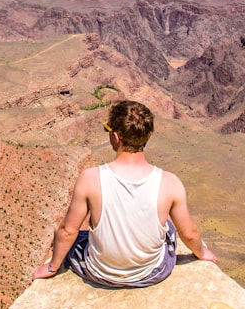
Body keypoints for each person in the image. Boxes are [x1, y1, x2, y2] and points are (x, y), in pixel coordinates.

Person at [33, 100, 217, 288]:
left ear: (115, 136)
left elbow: (68, 231)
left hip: (100, 272)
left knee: (76, 236)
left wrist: (52, 267)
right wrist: (202, 253)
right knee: (169, 227)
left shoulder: (90, 178)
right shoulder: (170, 183)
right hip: (152, 273)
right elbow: (189, 233)